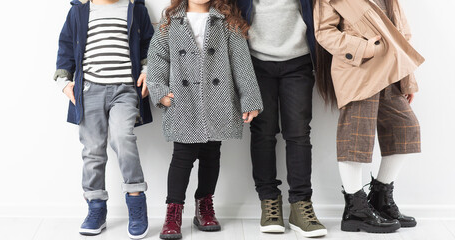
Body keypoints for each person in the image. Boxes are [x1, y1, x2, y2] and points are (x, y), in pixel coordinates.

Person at [146, 0, 263, 238]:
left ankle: (204, 206)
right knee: (182, 157)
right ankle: (173, 210)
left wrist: (250, 98)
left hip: (216, 99)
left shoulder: (227, 20)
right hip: (183, 99)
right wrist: (159, 91)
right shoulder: (170, 21)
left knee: (211, 154)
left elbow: (241, 62)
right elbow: (157, 58)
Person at [314, 0, 425, 233]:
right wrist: (364, 48)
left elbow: (402, 36)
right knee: (356, 137)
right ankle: (355, 208)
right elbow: (324, 32)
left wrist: (408, 80)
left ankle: (380, 199)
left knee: (406, 129)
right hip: (358, 70)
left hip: (390, 72)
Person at [53, 0, 154, 238]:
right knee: (93, 150)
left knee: (123, 138)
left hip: (125, 90)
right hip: (89, 91)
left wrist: (148, 71)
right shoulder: (79, 10)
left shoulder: (135, 7)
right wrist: (63, 81)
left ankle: (136, 202)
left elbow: (150, 43)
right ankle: (96, 207)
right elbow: (66, 46)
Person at [235, 0, 327, 237]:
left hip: (298, 61)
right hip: (255, 62)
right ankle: (269, 201)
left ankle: (301, 205)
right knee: (263, 133)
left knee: (298, 133)